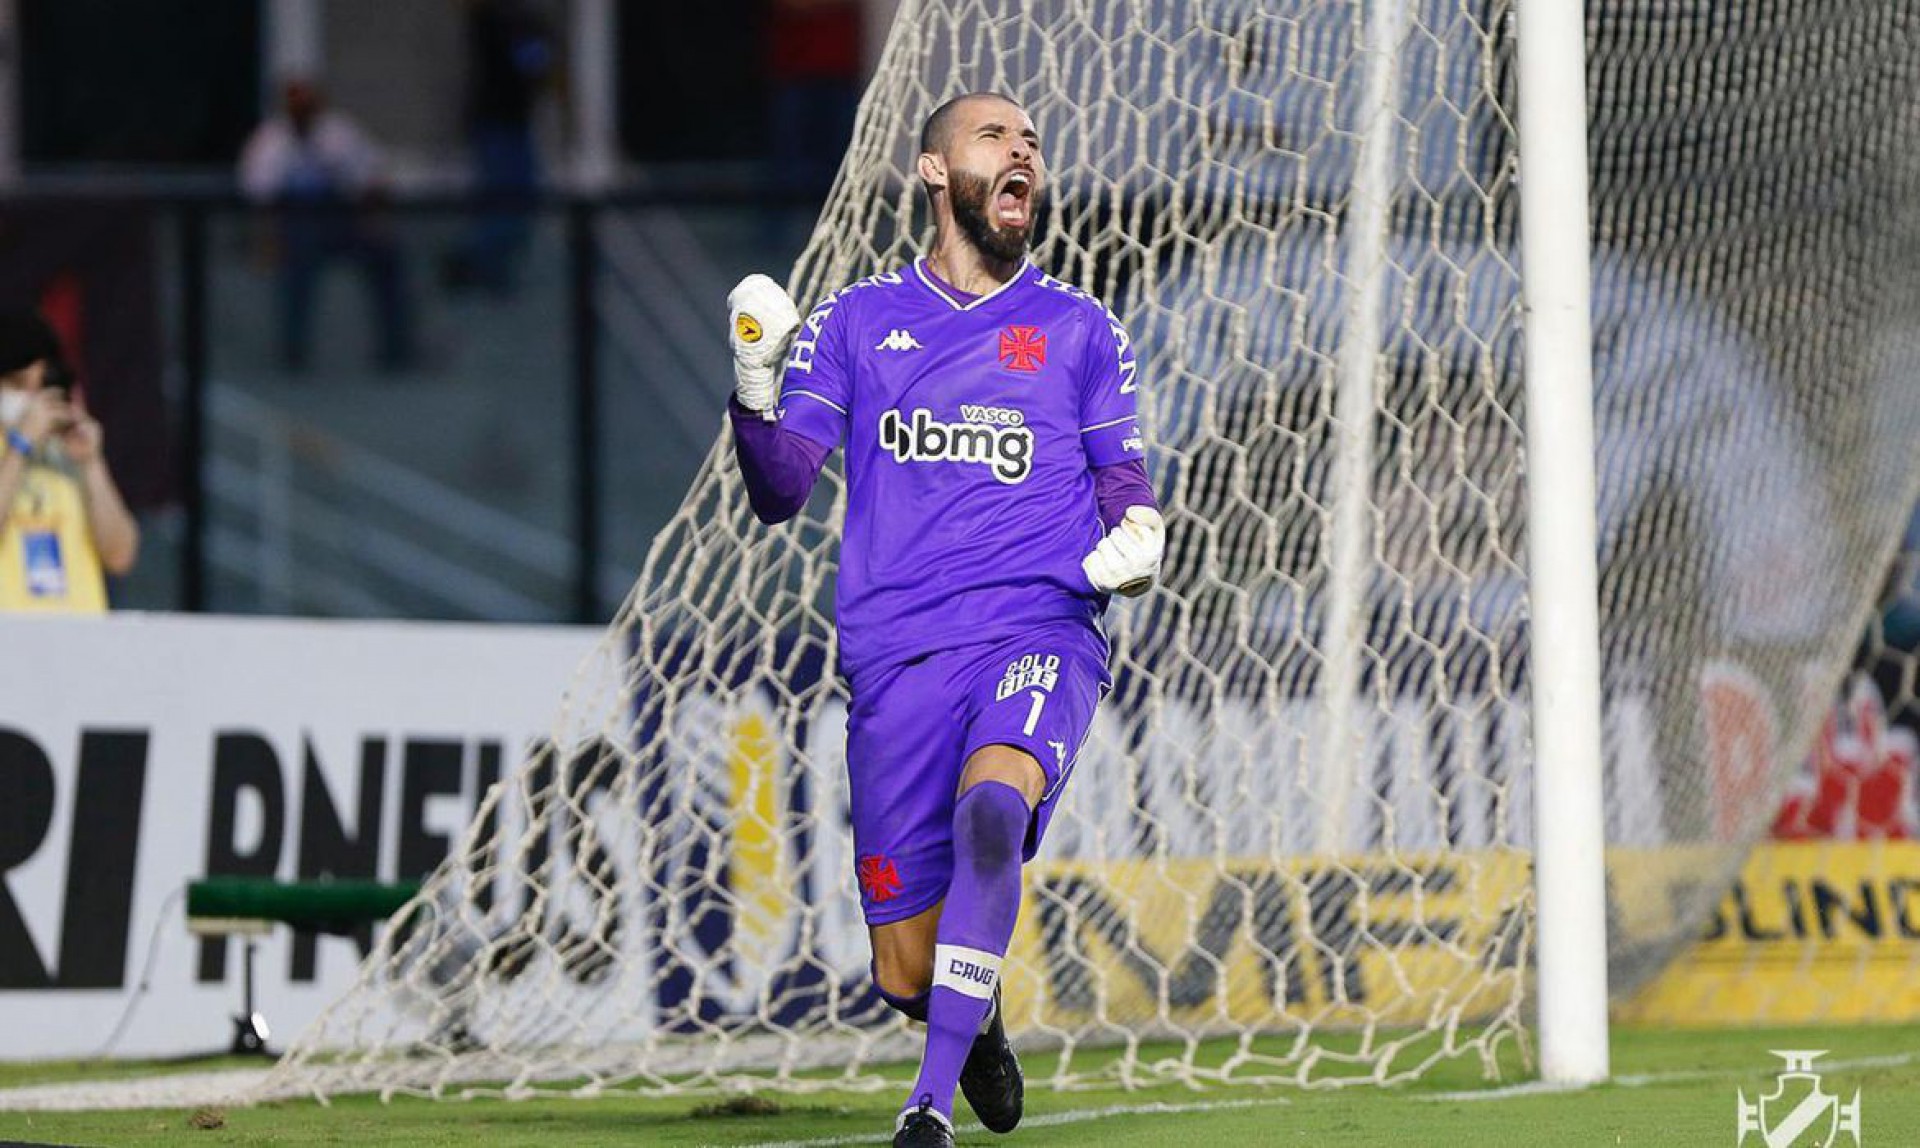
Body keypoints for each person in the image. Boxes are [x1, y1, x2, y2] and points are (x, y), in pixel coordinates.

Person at [724, 93, 1166, 1148]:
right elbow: (781, 489)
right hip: (894, 655)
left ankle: (926, 1106)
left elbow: (1119, 472)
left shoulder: (1078, 328)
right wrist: (753, 386)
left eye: (1032, 141)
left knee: (991, 813)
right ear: (934, 171)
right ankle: (974, 1023)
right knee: (903, 968)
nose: (1023, 150)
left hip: (1037, 626)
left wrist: (1140, 527)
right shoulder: (859, 321)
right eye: (994, 138)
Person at [238, 78, 415, 372]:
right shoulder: (270, 139)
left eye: (309, 104)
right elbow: (262, 197)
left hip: (341, 220)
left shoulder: (339, 132)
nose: (303, 111)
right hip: (296, 223)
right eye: (297, 105)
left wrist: (376, 224)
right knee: (296, 265)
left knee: (387, 256)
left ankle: (396, 348)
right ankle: (293, 352)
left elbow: (372, 179)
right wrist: (267, 243)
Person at [0, 311, 139, 611]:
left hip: (76, 641)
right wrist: (20, 446)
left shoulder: (65, 456)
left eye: (42, 385)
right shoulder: (14, 451)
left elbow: (120, 556)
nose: (33, 399)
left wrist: (92, 464)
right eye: (19, 384)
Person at [442, 0, 554, 296]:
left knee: (521, 198)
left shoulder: (521, 22)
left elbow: (537, 66)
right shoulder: (493, 20)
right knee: (502, 199)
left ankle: (492, 267)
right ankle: (476, 266)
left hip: (514, 125)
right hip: (496, 124)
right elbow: (529, 62)